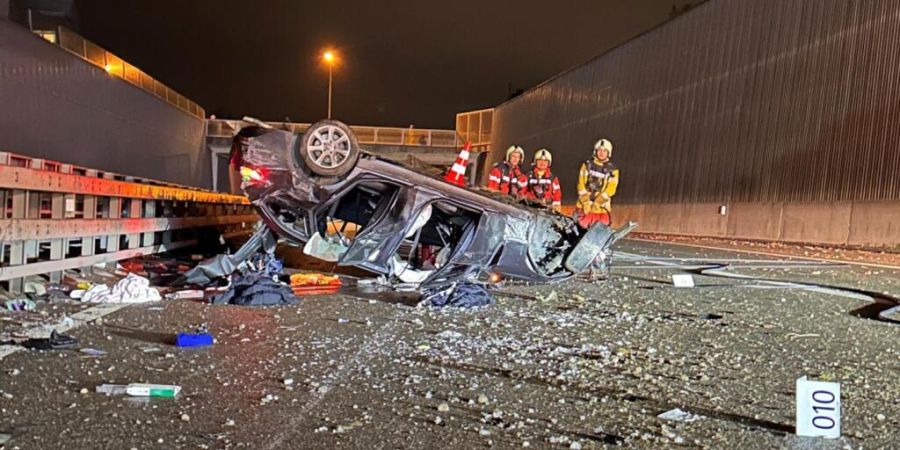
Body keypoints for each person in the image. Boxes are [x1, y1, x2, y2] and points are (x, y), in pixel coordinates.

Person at [575, 138, 619, 228]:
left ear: (608, 153)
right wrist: (586, 202)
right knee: (579, 230)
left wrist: (598, 202)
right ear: (595, 151)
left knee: (599, 232)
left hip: (602, 210)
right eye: (599, 150)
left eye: (604, 151)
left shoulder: (613, 170)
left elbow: (611, 189)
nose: (601, 153)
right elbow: (581, 184)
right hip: (584, 207)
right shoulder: (586, 166)